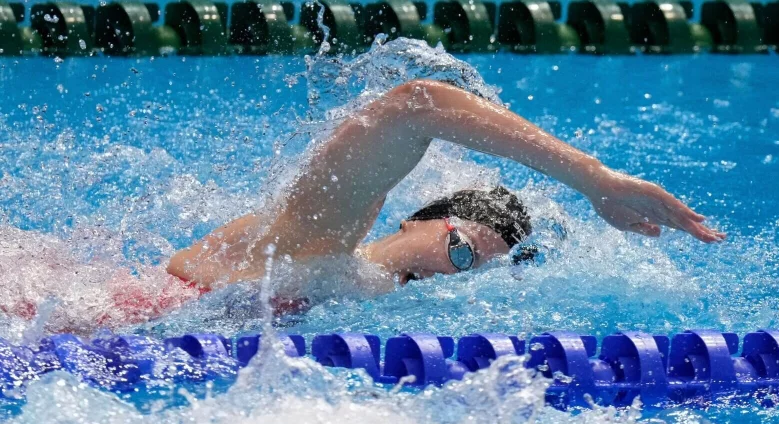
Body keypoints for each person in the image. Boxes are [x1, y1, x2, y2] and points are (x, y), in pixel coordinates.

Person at [166, 79, 725, 296]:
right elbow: (416, 105)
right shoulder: (323, 239)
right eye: (459, 250)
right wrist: (593, 179)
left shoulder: (359, 298)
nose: (443, 275)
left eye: (467, 274)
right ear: (414, 221)